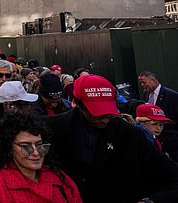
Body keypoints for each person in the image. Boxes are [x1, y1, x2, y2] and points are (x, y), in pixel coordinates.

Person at [44, 74, 178, 202]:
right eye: (97, 114)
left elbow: (171, 175)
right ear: (79, 105)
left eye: (108, 114)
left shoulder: (131, 135)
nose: (105, 120)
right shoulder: (52, 128)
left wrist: (150, 201)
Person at [0, 112, 82, 203]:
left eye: (39, 144)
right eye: (26, 146)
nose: (36, 153)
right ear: (9, 148)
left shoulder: (59, 177)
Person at [139, 71, 178, 161]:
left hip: (172, 142)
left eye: (144, 82)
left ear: (153, 80)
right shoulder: (146, 94)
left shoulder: (172, 96)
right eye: (141, 83)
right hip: (156, 141)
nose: (142, 85)